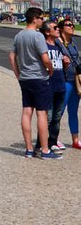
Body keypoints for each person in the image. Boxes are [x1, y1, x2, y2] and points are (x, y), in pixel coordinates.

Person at [9, 6, 59, 160]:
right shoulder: (37, 37)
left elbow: (12, 56)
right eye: (41, 18)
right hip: (38, 77)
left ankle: (29, 149)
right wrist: (50, 68)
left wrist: (18, 74)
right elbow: (45, 58)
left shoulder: (19, 35)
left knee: (26, 111)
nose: (42, 21)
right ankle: (44, 150)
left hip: (25, 78)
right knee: (42, 113)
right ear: (34, 18)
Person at [34, 21, 66, 155]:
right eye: (55, 28)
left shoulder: (58, 45)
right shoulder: (44, 46)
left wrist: (65, 62)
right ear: (47, 32)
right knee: (48, 117)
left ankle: (53, 141)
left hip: (60, 85)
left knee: (57, 117)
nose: (58, 30)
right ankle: (41, 144)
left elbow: (62, 66)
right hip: (48, 85)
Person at [56, 18, 81, 150]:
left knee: (73, 111)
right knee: (59, 111)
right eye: (68, 25)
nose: (72, 26)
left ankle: (75, 140)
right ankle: (54, 138)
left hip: (75, 80)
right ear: (61, 28)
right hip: (64, 81)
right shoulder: (57, 42)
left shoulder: (73, 42)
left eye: (72, 24)